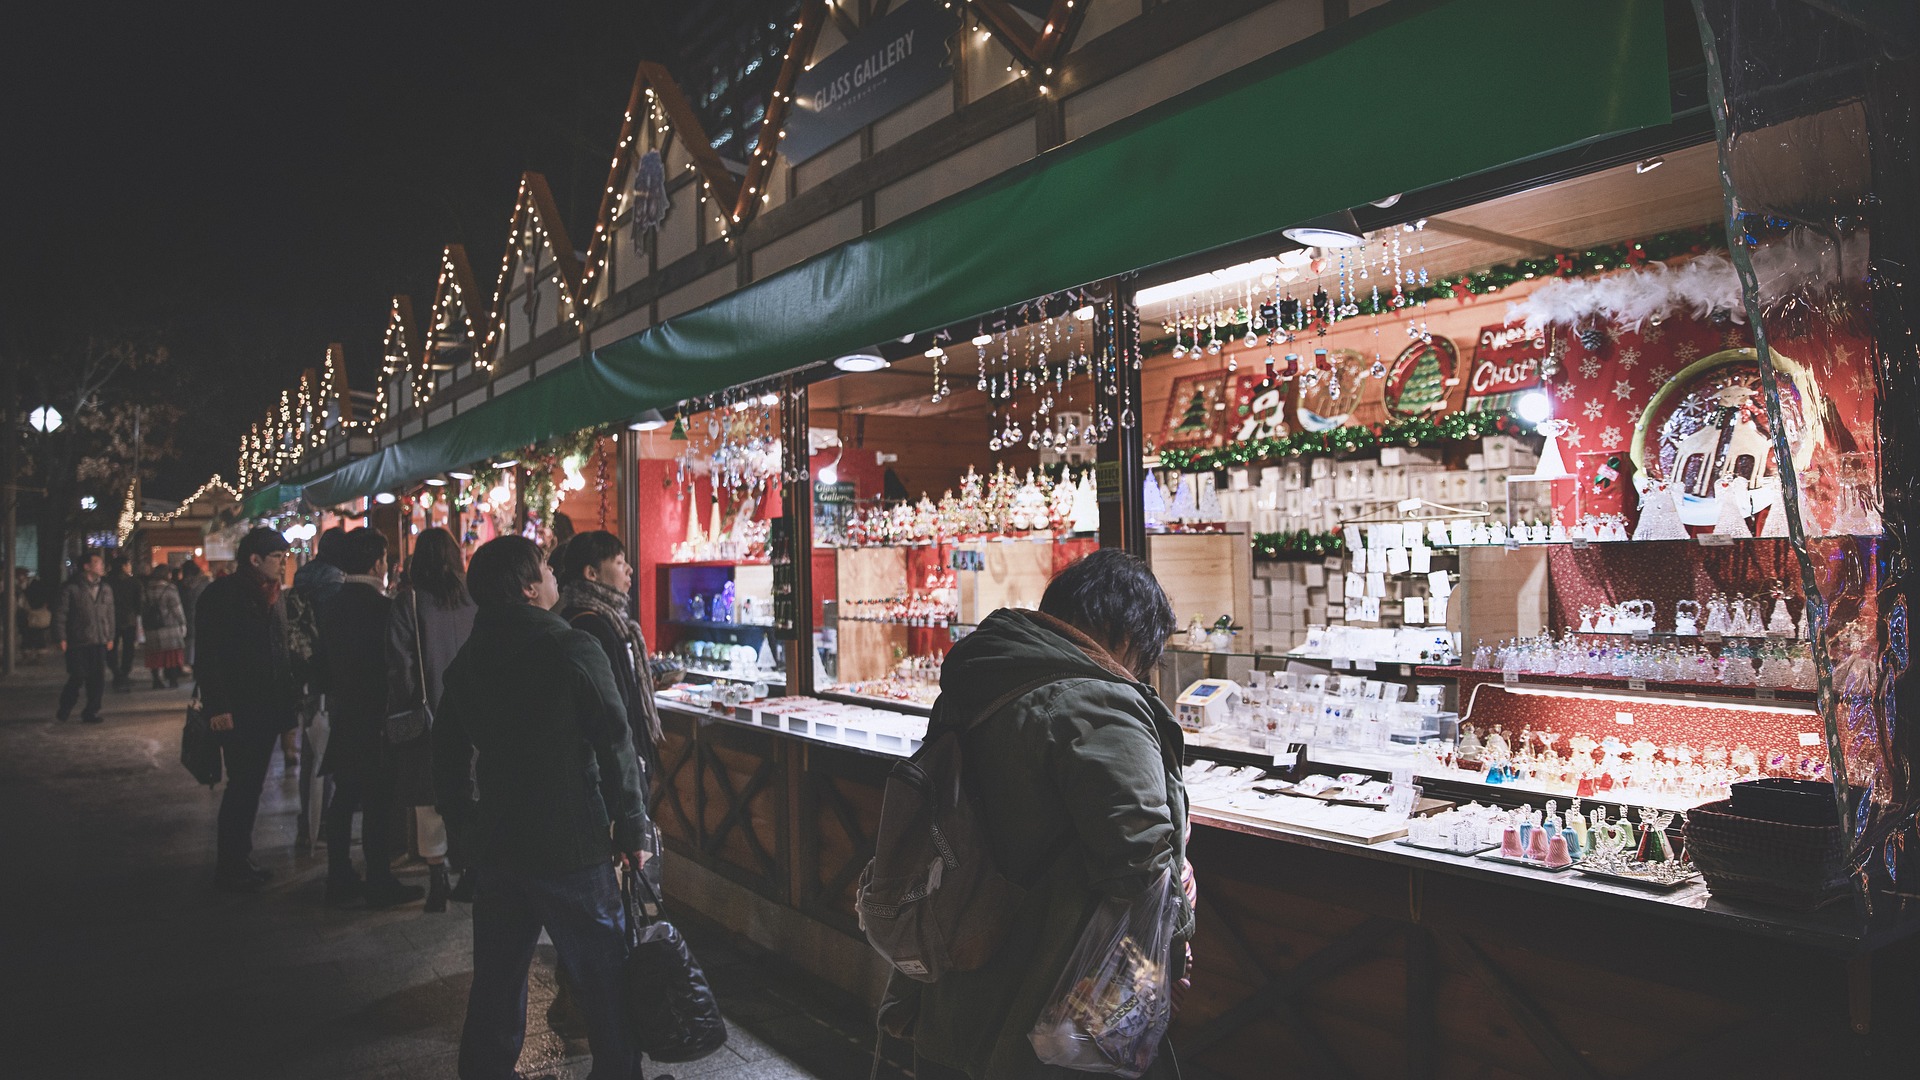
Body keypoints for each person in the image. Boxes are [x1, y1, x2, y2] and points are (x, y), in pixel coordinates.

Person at [880, 549, 1194, 1080]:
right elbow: (1139, 862)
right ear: (1126, 635)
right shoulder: (1100, 704)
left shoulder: (987, 676)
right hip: (1048, 998)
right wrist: (1176, 933)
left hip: (960, 966)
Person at [435, 535, 654, 1080]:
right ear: (530, 588)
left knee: (497, 980)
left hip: (500, 844)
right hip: (572, 842)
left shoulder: (469, 659)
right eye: (547, 571)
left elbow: (445, 757)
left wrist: (465, 825)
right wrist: (632, 826)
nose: (556, 577)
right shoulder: (570, 645)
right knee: (604, 980)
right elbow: (615, 739)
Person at [314, 528, 424, 909]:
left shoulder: (331, 603)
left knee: (344, 796)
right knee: (377, 799)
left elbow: (321, 665)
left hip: (346, 713)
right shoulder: (385, 608)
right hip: (378, 715)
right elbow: (395, 666)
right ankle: (378, 878)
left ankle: (339, 875)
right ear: (379, 562)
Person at [194, 527, 300, 892]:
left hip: (268, 707)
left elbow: (280, 652)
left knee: (251, 785)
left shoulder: (273, 594)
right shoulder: (221, 594)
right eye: (276, 557)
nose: (283, 562)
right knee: (241, 785)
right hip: (238, 709)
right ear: (254, 559)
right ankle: (230, 865)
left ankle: (241, 858)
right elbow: (208, 656)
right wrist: (218, 706)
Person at [385, 527, 477, 912]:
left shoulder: (408, 601)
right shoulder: (475, 598)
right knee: (472, 793)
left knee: (429, 801)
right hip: (473, 714)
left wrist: (404, 702)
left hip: (430, 715)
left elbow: (401, 665)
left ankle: (437, 879)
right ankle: (471, 873)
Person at [288, 526, 350, 835]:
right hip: (332, 680)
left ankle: (309, 822)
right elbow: (335, 637)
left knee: (313, 751)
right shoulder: (335, 585)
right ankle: (324, 822)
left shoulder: (302, 580)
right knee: (331, 752)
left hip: (307, 679)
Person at [51, 550, 117, 724]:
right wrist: (61, 638)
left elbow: (110, 614)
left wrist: (110, 636)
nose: (102, 566)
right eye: (98, 563)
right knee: (77, 675)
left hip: (99, 640)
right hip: (78, 641)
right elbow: (61, 614)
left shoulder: (105, 588)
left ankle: (91, 711)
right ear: (87, 566)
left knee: (98, 679)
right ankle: (65, 707)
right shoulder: (71, 588)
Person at [140, 564, 188, 689]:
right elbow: (177, 608)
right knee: (171, 655)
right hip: (170, 627)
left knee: (155, 655)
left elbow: (142, 608)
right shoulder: (170, 588)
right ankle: (173, 680)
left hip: (152, 626)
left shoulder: (147, 588)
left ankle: (156, 680)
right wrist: (182, 623)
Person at [106, 556, 142, 691]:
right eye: (128, 564)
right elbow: (139, 603)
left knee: (111, 648)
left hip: (111, 620)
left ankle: (117, 673)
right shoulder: (133, 582)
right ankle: (124, 673)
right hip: (129, 619)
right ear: (123, 566)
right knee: (128, 648)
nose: (130, 567)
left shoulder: (106, 582)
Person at [177, 559, 210, 671]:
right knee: (201, 641)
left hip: (186, 614)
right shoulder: (205, 583)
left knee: (188, 641)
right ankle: (198, 665)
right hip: (203, 615)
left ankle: (187, 663)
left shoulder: (181, 585)